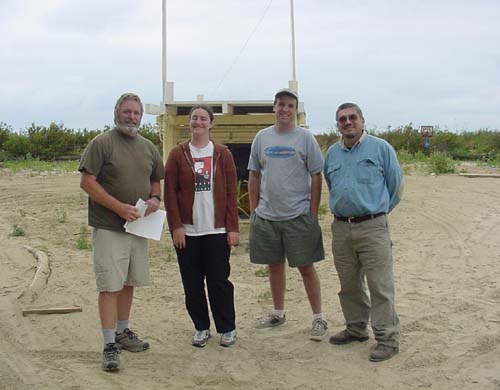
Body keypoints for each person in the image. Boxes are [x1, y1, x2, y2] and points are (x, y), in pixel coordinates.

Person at [79, 93, 164, 371]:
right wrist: (118, 208)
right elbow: (87, 182)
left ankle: (123, 332)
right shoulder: (101, 143)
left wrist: (154, 199)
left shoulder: (149, 147)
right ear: (117, 113)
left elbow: (155, 181)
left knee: (129, 282)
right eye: (127, 112)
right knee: (110, 285)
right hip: (109, 228)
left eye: (136, 113)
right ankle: (108, 345)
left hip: (138, 228)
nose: (132, 117)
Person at [324, 102, 403, 362]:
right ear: (337, 124)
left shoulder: (381, 149)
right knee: (349, 285)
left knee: (380, 285)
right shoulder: (332, 154)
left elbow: (395, 187)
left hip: (373, 227)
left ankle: (387, 339)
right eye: (342, 119)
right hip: (341, 228)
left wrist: (374, 214)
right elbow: (330, 184)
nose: (347, 122)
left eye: (352, 118)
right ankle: (356, 329)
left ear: (362, 121)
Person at [248, 88, 328, 341]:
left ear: (296, 110)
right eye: (281, 104)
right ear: (274, 107)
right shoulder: (262, 138)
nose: (285, 109)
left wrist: (313, 212)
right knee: (274, 267)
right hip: (268, 217)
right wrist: (254, 210)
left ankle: (318, 318)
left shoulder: (305, 138)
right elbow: (254, 174)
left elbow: (316, 175)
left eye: (290, 106)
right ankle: (278, 313)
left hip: (298, 216)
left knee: (306, 267)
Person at [164, 104, 239, 348]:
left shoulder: (222, 153)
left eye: (203, 118)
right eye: (194, 118)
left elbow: (230, 192)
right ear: (189, 122)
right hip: (188, 232)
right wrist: (175, 225)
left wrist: (232, 228)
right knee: (192, 284)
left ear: (211, 123)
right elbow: (170, 193)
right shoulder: (178, 154)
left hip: (216, 231)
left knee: (219, 282)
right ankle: (201, 327)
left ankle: (227, 328)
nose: (198, 122)